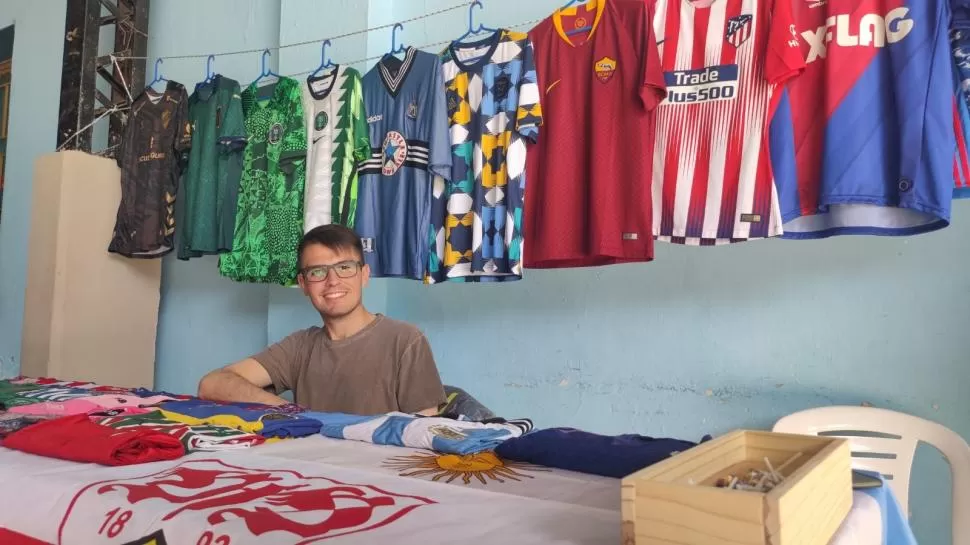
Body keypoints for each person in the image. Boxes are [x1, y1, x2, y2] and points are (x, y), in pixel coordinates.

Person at [197, 224, 446, 416]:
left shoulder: (405, 341)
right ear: (304, 284)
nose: (333, 281)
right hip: (311, 472)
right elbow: (212, 384)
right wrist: (292, 412)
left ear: (364, 275)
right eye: (318, 272)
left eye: (345, 268)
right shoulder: (299, 347)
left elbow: (423, 441)